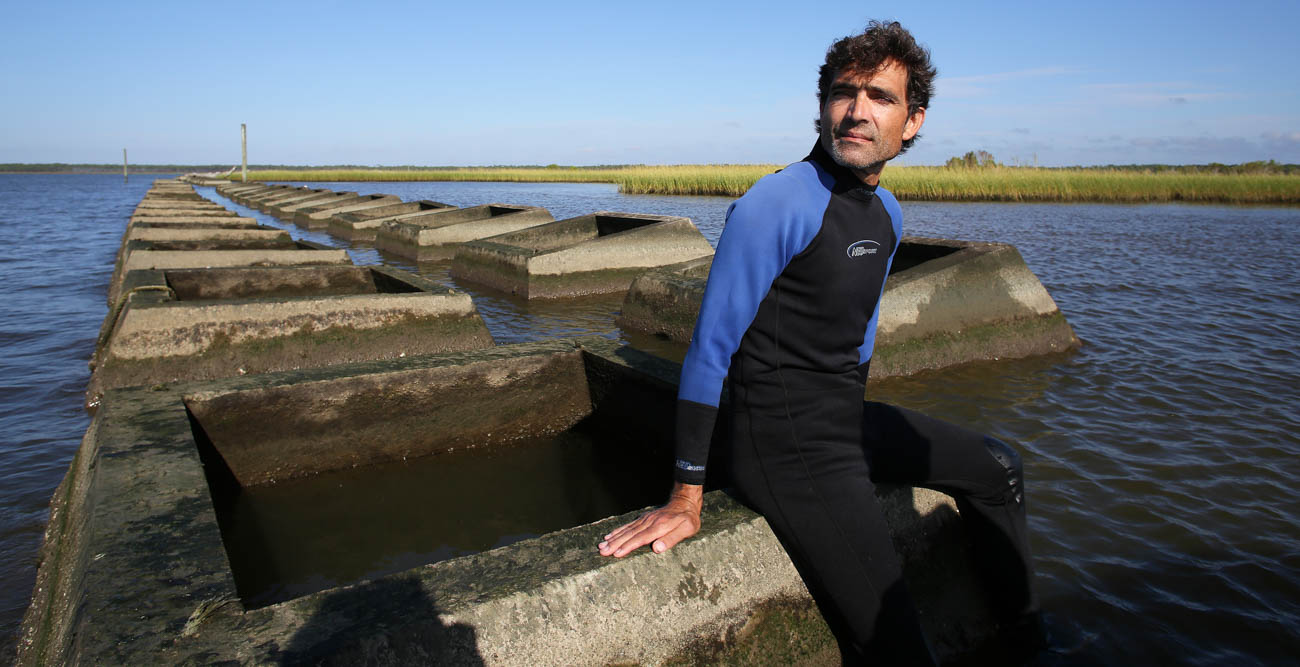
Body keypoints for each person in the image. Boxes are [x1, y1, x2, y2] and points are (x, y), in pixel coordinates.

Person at [597, 20, 1040, 665]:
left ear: (912, 121)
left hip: (841, 424)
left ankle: (1029, 644)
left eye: (880, 98)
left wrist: (854, 429)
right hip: (782, 445)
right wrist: (687, 495)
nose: (857, 112)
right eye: (843, 93)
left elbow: (858, 343)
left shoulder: (886, 216)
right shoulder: (776, 204)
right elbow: (708, 350)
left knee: (1000, 467)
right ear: (822, 105)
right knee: (897, 644)